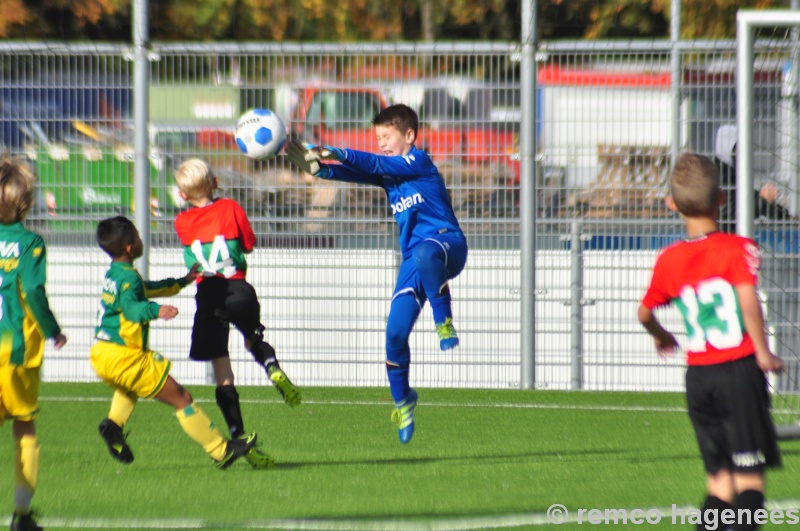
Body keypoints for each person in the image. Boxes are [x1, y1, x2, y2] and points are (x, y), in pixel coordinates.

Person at [286, 103, 468, 444]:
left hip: (447, 246)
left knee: (427, 251)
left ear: (409, 136)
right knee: (395, 334)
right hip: (414, 261)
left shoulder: (419, 161)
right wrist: (321, 170)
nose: (381, 142)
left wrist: (338, 151)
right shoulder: (389, 172)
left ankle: (444, 321)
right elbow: (361, 171)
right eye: (378, 137)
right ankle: (403, 402)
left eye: (387, 136)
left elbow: (374, 162)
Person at [638, 153, 783, 531]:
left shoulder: (668, 259)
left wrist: (663, 336)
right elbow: (748, 302)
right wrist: (764, 352)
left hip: (698, 378)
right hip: (737, 371)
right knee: (749, 480)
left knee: (719, 483)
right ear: (722, 199)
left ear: (672, 204)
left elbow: (644, 313)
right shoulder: (739, 249)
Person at [92, 216, 258, 470]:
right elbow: (131, 308)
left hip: (102, 352)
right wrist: (156, 311)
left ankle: (113, 425)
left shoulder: (115, 274)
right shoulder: (129, 279)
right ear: (129, 246)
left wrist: (184, 280)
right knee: (182, 398)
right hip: (124, 356)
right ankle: (220, 450)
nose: (140, 240)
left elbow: (145, 289)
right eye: (136, 236)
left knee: (130, 387)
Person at [173, 158, 300, 466]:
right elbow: (248, 244)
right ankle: (271, 365)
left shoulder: (182, 222)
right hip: (238, 288)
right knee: (251, 338)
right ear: (215, 182)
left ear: (183, 195)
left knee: (223, 374)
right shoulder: (230, 208)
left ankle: (238, 435)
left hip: (208, 297)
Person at [0, 156, 67, 531]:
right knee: (24, 427)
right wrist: (53, 329)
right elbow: (33, 291)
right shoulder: (29, 243)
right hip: (14, 350)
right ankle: (22, 516)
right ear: (25, 201)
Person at [713, 124, 792, 234]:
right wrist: (763, 200)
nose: (744, 154)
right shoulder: (721, 177)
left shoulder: (733, 174)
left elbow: (753, 201)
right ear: (726, 148)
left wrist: (783, 213)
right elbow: (730, 216)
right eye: (737, 149)